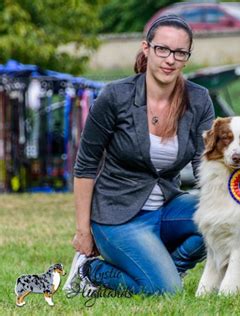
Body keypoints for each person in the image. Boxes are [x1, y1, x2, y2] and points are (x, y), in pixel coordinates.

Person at [62, 15, 215, 296]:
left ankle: (169, 268)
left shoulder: (199, 99)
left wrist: (233, 200)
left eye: (180, 52)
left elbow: (205, 162)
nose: (170, 59)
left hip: (167, 206)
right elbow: (85, 166)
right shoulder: (115, 96)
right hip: (117, 217)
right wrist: (84, 232)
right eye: (163, 49)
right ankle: (90, 271)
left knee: (222, 221)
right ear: (147, 48)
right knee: (165, 292)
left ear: (187, 57)